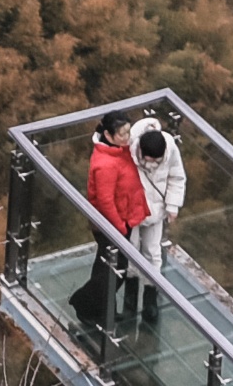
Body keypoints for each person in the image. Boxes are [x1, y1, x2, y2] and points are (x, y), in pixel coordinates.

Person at [73, 114, 153, 339]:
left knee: (105, 267)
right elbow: (105, 201)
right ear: (108, 135)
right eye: (123, 134)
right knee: (115, 270)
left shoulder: (118, 151)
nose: (128, 137)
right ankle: (84, 303)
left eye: (128, 132)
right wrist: (119, 227)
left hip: (120, 220)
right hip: (112, 225)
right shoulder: (105, 163)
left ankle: (100, 309)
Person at [131, 117, 189, 280]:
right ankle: (132, 282)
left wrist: (172, 205)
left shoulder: (170, 149)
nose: (154, 163)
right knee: (130, 248)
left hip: (156, 209)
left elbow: (177, 177)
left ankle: (153, 285)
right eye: (151, 159)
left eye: (157, 160)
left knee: (152, 250)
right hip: (131, 209)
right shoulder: (128, 147)